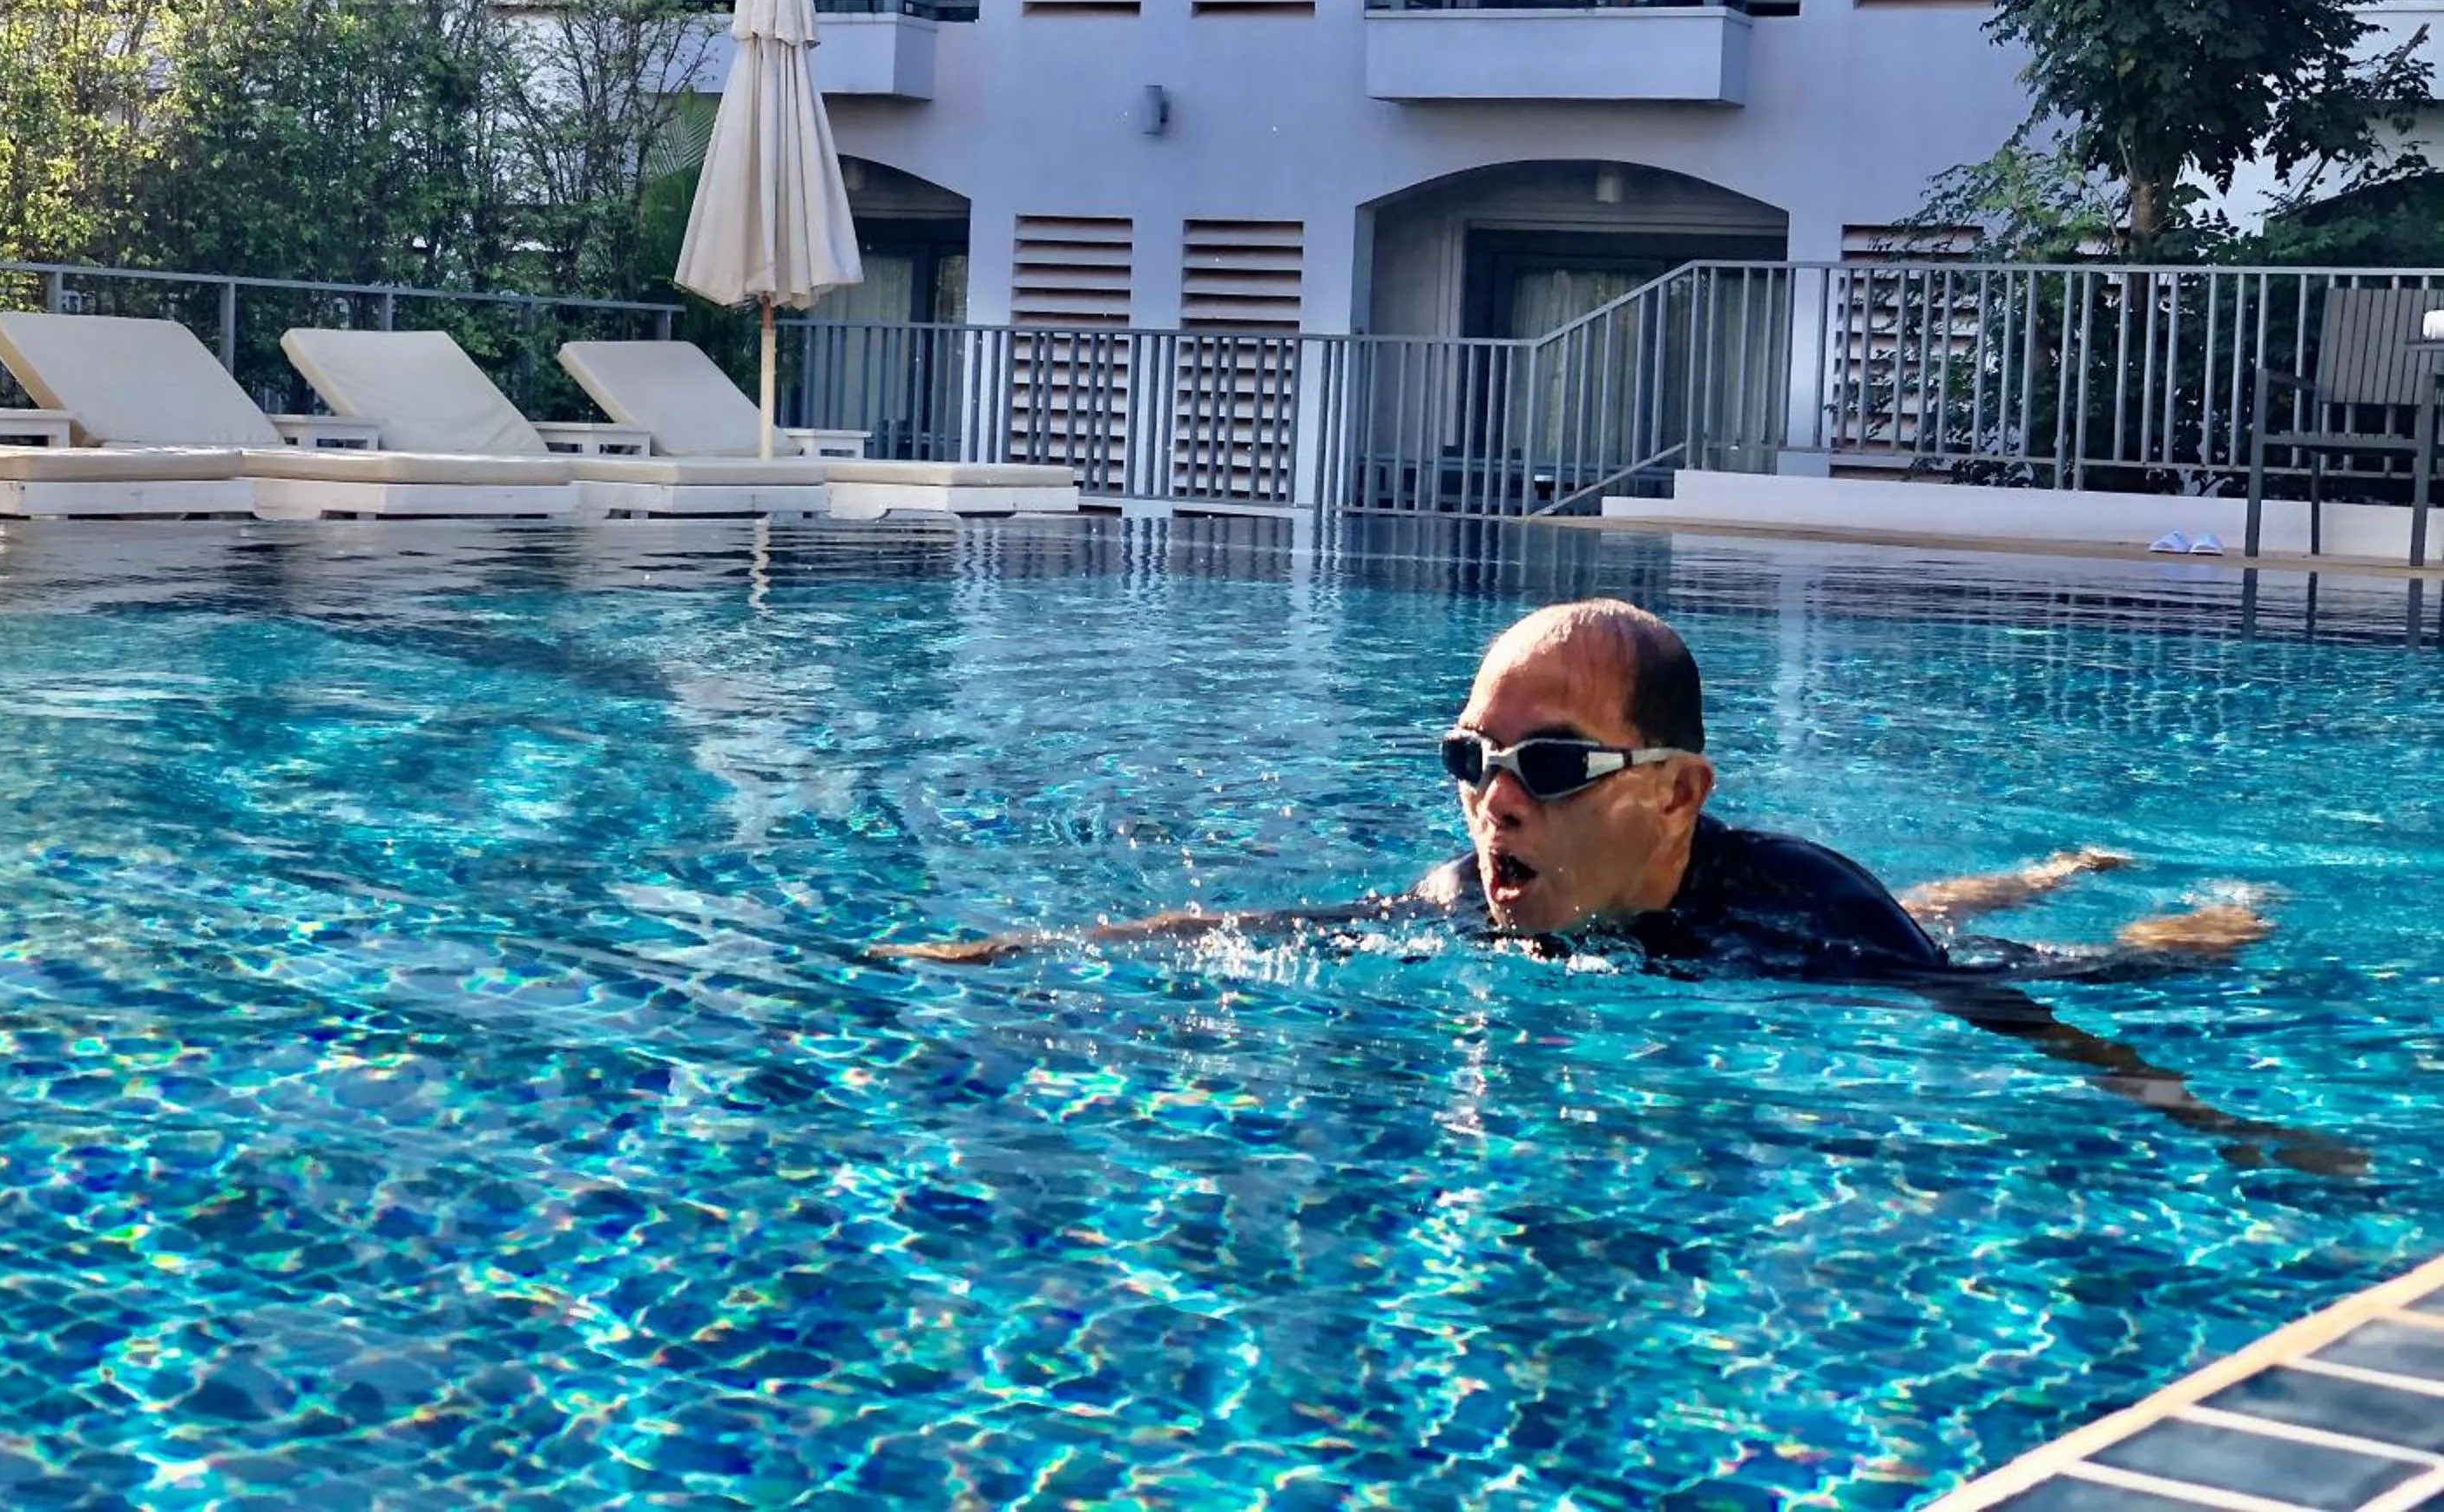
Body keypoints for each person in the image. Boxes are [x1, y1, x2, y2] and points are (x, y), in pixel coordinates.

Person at [883, 599, 2360, 1174]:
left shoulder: (1800, 909)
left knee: (2007, 947)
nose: (1493, 799)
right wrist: (1021, 947)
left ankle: (2159, 905)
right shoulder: (1474, 892)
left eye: (1547, 762)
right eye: (1471, 757)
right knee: (1955, 901)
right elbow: (1260, 931)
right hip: (1693, 917)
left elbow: (2017, 1028)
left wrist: (2221, 1123)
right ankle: (2033, 867)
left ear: (1674, 792)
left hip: (1825, 927)